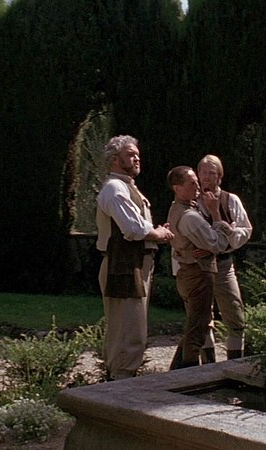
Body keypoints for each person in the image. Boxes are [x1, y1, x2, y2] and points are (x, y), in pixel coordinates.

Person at [96, 135, 174, 380]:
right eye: (130, 155)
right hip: (122, 266)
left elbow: (137, 226)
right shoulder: (115, 188)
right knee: (127, 332)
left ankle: (118, 383)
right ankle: (119, 387)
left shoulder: (127, 187)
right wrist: (158, 233)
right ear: (114, 159)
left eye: (137, 154)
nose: (137, 158)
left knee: (131, 329)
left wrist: (155, 232)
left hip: (134, 264)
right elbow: (132, 228)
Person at [166, 166, 232, 368]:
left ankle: (175, 372)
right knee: (198, 330)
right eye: (192, 183)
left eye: (197, 181)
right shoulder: (189, 217)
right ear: (177, 188)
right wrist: (216, 214)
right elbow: (218, 244)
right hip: (198, 274)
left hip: (189, 272)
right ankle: (187, 374)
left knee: (195, 326)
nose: (198, 186)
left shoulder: (177, 209)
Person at [196, 154, 253, 361]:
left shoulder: (230, 200)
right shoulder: (191, 201)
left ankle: (234, 363)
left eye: (212, 173)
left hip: (223, 264)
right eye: (203, 172)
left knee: (235, 316)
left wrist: (229, 233)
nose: (206, 177)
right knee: (202, 318)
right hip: (198, 266)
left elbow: (245, 230)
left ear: (219, 177)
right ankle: (208, 365)